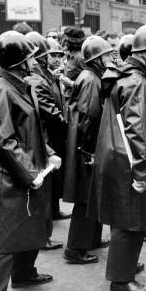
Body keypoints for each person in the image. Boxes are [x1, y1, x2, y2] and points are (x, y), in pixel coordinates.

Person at [88, 24, 146, 291]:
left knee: (124, 221)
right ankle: (121, 280)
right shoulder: (137, 82)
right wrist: (141, 172)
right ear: (145, 53)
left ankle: (122, 270)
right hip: (129, 162)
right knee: (132, 222)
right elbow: (137, 130)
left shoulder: (129, 76)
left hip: (118, 158)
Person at [0, 31, 61, 291]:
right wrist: (31, 173)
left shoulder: (17, 85)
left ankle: (25, 273)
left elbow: (31, 130)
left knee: (30, 225)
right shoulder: (1, 90)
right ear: (19, 62)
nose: (34, 64)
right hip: (9, 178)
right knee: (2, 240)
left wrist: (48, 153)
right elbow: (3, 140)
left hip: (25, 172)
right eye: (29, 59)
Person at [63, 35, 113, 263]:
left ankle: (91, 239)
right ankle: (74, 249)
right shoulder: (91, 79)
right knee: (85, 200)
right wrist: (91, 151)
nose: (110, 58)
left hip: (85, 146)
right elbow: (89, 116)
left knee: (93, 197)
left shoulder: (90, 76)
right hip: (87, 148)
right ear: (97, 58)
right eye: (106, 55)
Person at [25, 32, 70, 227]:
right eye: (51, 55)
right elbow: (49, 111)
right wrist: (66, 124)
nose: (55, 58)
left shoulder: (46, 75)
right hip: (45, 135)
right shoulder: (36, 78)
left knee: (52, 179)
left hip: (52, 134)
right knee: (44, 182)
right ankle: (43, 229)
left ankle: (53, 212)